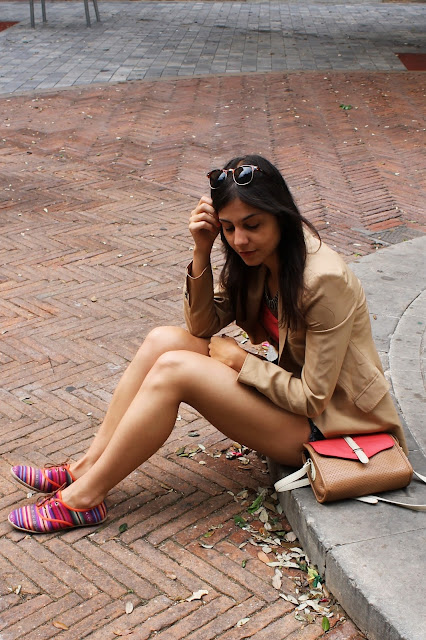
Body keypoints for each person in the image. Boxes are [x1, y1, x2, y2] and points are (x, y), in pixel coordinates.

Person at [8, 154, 407, 533]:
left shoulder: (322, 279)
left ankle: (85, 499)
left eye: (252, 225)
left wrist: (241, 362)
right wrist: (202, 248)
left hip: (332, 427)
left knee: (175, 371)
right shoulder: (255, 259)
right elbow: (201, 325)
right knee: (162, 341)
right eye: (228, 228)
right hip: (290, 399)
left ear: (281, 216)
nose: (240, 239)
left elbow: (313, 398)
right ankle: (84, 469)